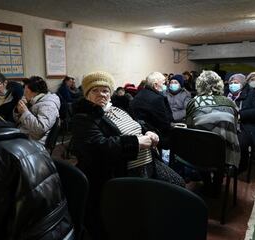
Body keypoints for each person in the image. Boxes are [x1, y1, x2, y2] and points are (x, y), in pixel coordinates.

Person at [71, 71, 184, 240]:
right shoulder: (84, 118)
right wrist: (137, 143)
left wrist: (149, 132)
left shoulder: (117, 108)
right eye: (95, 90)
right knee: (137, 216)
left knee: (179, 186)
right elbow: (99, 147)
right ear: (87, 94)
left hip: (148, 163)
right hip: (120, 173)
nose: (101, 94)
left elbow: (136, 125)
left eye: (105, 90)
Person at [186, 70, 241, 194]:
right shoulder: (230, 103)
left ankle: (207, 183)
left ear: (199, 85)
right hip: (227, 155)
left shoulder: (193, 103)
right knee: (223, 142)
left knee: (200, 143)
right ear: (219, 84)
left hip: (200, 154)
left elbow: (190, 128)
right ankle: (217, 184)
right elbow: (236, 128)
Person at [228, 73, 255, 171]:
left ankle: (240, 166)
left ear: (242, 84)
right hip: (230, 124)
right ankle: (225, 162)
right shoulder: (226, 95)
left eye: (236, 82)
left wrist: (240, 114)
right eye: (231, 83)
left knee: (239, 141)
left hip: (249, 126)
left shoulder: (253, 93)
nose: (233, 84)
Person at [130, 71, 174, 149]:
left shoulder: (139, 94)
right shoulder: (157, 98)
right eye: (163, 83)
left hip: (140, 133)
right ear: (155, 85)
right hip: (155, 137)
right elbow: (164, 122)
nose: (165, 86)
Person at [13, 76, 60, 145]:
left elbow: (41, 128)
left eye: (26, 92)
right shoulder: (34, 101)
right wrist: (18, 111)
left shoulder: (48, 106)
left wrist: (25, 112)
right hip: (25, 134)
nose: (24, 94)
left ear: (36, 92)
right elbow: (19, 121)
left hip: (35, 142)